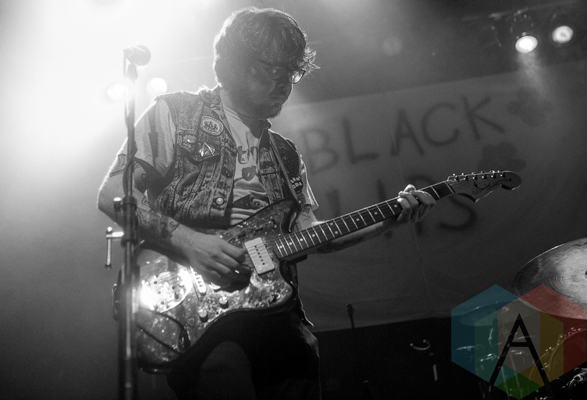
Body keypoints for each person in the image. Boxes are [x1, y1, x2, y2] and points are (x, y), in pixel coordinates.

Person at [98, 6, 436, 400]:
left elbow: (313, 234)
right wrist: (192, 243)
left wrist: (391, 218)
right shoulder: (174, 114)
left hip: (277, 318)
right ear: (235, 64)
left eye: (290, 73)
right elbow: (113, 193)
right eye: (273, 70)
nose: (284, 84)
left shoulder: (286, 154)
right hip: (200, 315)